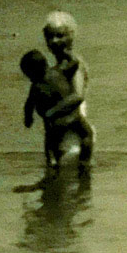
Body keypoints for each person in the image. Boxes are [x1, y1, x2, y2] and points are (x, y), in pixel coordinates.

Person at [19, 49, 96, 173]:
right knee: (87, 135)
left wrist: (28, 119)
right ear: (46, 63)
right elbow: (75, 63)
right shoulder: (59, 72)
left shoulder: (35, 86)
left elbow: (29, 105)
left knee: (50, 141)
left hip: (54, 123)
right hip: (74, 117)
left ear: (30, 74)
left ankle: (52, 161)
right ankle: (84, 161)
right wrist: (66, 52)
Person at [41, 10, 94, 167]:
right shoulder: (56, 68)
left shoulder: (75, 65)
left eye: (60, 35)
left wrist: (52, 112)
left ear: (71, 36)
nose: (54, 41)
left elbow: (77, 96)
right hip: (62, 134)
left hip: (74, 136)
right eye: (50, 37)